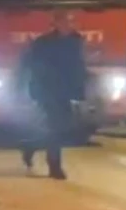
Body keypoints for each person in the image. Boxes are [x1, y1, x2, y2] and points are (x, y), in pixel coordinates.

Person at [16, 10, 88, 180]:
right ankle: (55, 167)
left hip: (66, 90)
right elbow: (29, 65)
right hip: (47, 90)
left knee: (64, 128)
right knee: (56, 126)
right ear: (55, 24)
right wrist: (27, 87)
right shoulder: (43, 42)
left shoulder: (76, 41)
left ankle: (31, 146)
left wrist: (81, 89)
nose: (68, 26)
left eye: (71, 22)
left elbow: (79, 66)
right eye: (64, 22)